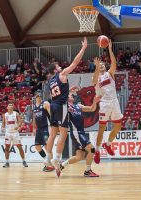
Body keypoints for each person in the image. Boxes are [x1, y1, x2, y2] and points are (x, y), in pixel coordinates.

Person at [45, 37, 87, 173]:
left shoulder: (50, 82)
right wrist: (83, 48)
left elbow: (56, 95)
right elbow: (75, 63)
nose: (60, 66)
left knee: (53, 134)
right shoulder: (62, 74)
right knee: (63, 134)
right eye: (58, 66)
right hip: (61, 106)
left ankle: (47, 158)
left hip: (53, 105)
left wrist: (69, 90)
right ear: (55, 70)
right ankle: (57, 158)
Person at [92, 40, 123, 164]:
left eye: (103, 65)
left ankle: (108, 144)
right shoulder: (96, 77)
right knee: (101, 129)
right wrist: (96, 67)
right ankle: (98, 150)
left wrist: (110, 49)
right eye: (100, 66)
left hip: (114, 102)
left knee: (118, 127)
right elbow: (94, 81)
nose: (102, 66)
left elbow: (114, 63)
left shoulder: (110, 74)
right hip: (104, 103)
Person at [59, 93, 100, 177]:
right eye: (70, 95)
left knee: (79, 157)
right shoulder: (65, 107)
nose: (72, 96)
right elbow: (60, 99)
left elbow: (92, 109)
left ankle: (61, 165)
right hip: (76, 133)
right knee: (92, 149)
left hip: (81, 133)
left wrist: (95, 102)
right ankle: (88, 171)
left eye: (72, 95)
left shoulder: (78, 106)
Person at [33, 91, 54, 172]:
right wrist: (34, 128)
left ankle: (51, 165)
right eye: (37, 95)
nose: (38, 96)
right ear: (35, 97)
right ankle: (47, 162)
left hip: (46, 127)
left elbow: (51, 114)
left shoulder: (45, 103)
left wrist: (53, 125)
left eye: (39, 95)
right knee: (37, 146)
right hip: (39, 129)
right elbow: (34, 117)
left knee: (47, 147)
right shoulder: (34, 106)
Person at [2, 103, 28, 168]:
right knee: (7, 148)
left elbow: (20, 121)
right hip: (8, 133)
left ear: (13, 107)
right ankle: (7, 162)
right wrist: (2, 128)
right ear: (7, 107)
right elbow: (3, 123)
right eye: (9, 105)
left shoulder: (16, 113)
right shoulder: (5, 115)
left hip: (15, 133)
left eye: (11, 105)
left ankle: (24, 161)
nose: (10, 106)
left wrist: (18, 126)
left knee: (19, 147)